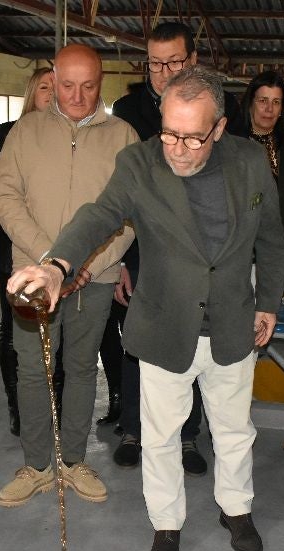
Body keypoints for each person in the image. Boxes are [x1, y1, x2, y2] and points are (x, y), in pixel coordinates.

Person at [7, 66, 284, 551]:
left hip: (233, 323)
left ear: (220, 128)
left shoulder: (249, 161)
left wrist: (267, 301)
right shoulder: (138, 163)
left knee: (233, 430)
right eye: (169, 133)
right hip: (164, 324)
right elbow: (99, 213)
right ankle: (166, 524)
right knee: (160, 436)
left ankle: (236, 509)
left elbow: (270, 239)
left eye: (191, 137)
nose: (176, 148)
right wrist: (56, 265)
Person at [0, 43, 138, 508]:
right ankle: (36, 466)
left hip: (94, 277)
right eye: (67, 85)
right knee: (34, 372)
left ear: (102, 83)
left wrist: (85, 265)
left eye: (88, 86)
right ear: (53, 79)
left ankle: (73, 461)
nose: (76, 96)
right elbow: (5, 198)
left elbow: (132, 215)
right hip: (33, 278)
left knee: (80, 368)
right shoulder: (24, 132)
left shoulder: (123, 136)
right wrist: (52, 261)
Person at [108, 21, 236, 476]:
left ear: (193, 60)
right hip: (141, 249)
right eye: (155, 63)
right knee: (137, 340)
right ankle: (132, 429)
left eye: (173, 62)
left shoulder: (218, 108)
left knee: (197, 340)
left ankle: (186, 437)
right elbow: (115, 197)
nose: (162, 72)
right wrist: (121, 258)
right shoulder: (125, 111)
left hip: (199, 254)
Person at [0, 66, 52, 438]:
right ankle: (17, 407)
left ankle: (50, 399)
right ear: (31, 93)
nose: (52, 95)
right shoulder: (9, 132)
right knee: (14, 327)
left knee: (52, 328)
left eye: (58, 88)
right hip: (10, 250)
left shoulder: (67, 135)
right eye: (45, 88)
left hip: (55, 253)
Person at [231, 71, 284, 257]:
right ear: (250, 102)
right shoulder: (233, 143)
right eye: (263, 101)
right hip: (241, 248)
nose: (269, 109)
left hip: (281, 247)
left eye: (276, 102)